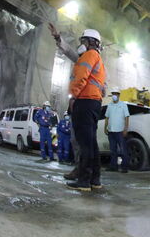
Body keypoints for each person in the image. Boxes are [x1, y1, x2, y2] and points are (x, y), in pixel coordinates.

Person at [66, 29, 106, 192]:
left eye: (83, 41)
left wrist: (73, 97)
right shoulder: (99, 59)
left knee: (84, 144)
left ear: (91, 42)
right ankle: (95, 180)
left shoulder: (89, 55)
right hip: (94, 103)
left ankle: (83, 181)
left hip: (85, 101)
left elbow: (81, 77)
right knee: (91, 143)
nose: (81, 44)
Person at [48, 23, 81, 180]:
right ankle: (80, 168)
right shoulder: (81, 63)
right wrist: (57, 37)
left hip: (84, 105)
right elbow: (68, 51)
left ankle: (84, 172)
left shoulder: (90, 61)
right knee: (76, 141)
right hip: (76, 106)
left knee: (82, 141)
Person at [104, 87, 130, 173]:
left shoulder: (123, 105)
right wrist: (105, 127)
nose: (114, 95)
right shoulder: (109, 105)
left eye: (116, 94)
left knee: (123, 150)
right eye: (113, 94)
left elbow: (127, 117)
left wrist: (125, 129)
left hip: (120, 131)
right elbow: (107, 117)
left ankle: (124, 167)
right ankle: (113, 166)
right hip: (111, 131)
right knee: (113, 150)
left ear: (119, 95)